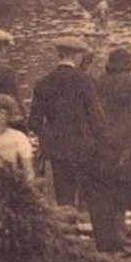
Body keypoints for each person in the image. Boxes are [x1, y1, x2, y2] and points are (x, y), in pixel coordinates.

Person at [29, 36, 103, 212]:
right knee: (86, 196)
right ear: (76, 56)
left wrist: (49, 135)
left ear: (58, 55)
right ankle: (87, 230)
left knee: (64, 197)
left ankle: (69, 232)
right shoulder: (86, 81)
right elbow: (97, 119)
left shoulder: (43, 83)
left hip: (57, 149)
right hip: (83, 147)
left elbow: (33, 122)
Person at [90, 49, 131, 257]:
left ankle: (117, 228)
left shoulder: (99, 81)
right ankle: (119, 231)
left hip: (104, 142)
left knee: (109, 187)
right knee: (123, 187)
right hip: (126, 141)